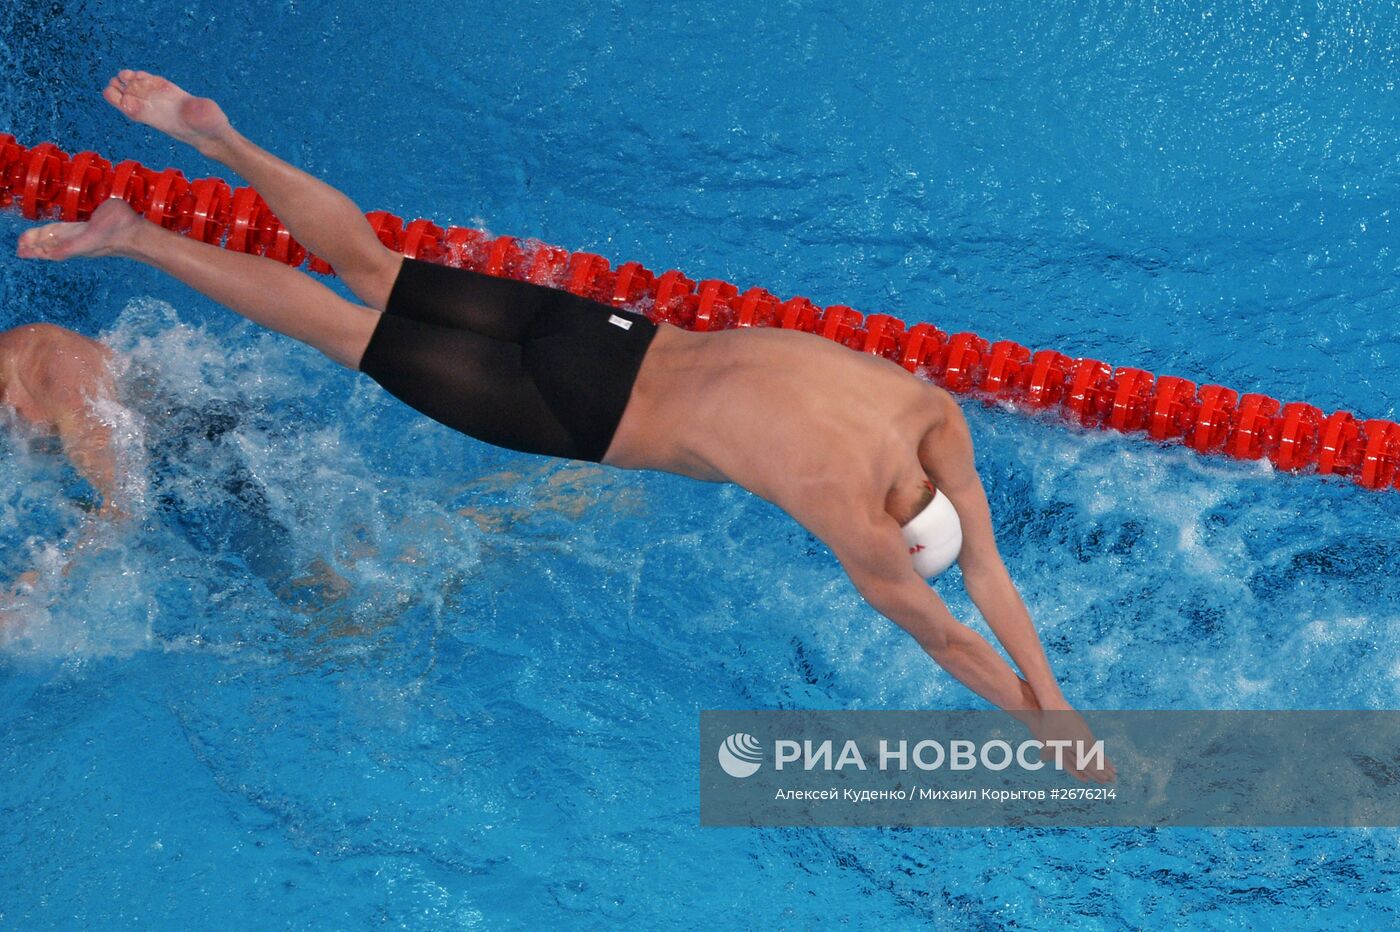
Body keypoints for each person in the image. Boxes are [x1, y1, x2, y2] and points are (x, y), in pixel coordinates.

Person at [16, 71, 1113, 781]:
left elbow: (985, 569)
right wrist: (1038, 720)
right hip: (580, 410)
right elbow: (949, 627)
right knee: (347, 335)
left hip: (611, 336)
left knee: (377, 267)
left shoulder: (930, 416)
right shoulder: (850, 518)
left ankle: (225, 138)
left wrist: (1053, 691)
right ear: (895, 524)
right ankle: (143, 241)